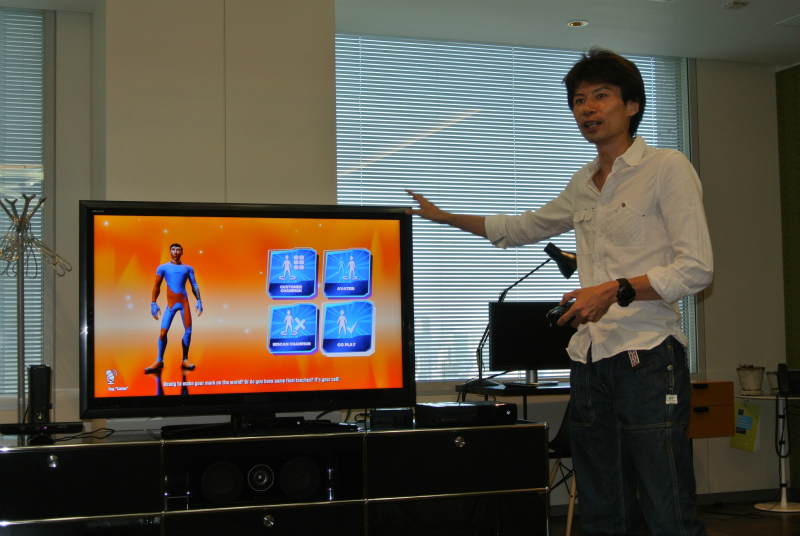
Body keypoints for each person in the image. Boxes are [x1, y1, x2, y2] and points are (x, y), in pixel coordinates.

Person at [406, 47, 712, 536]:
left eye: (600, 96)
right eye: (578, 101)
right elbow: (522, 227)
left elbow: (696, 269)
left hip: (650, 358)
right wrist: (446, 218)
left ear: (632, 105)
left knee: (666, 506)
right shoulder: (583, 183)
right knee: (601, 509)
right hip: (590, 360)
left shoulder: (666, 168)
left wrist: (611, 291)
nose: (587, 109)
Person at [146, 243, 204, 373]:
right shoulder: (163, 268)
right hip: (171, 305)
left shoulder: (187, 268)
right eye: (173, 249)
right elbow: (156, 286)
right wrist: (153, 303)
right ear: (170, 252)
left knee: (188, 331)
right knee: (163, 332)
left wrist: (199, 300)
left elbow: (194, 285)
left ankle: (185, 359)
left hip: (184, 303)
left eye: (178, 250)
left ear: (182, 252)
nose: (176, 252)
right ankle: (159, 360)